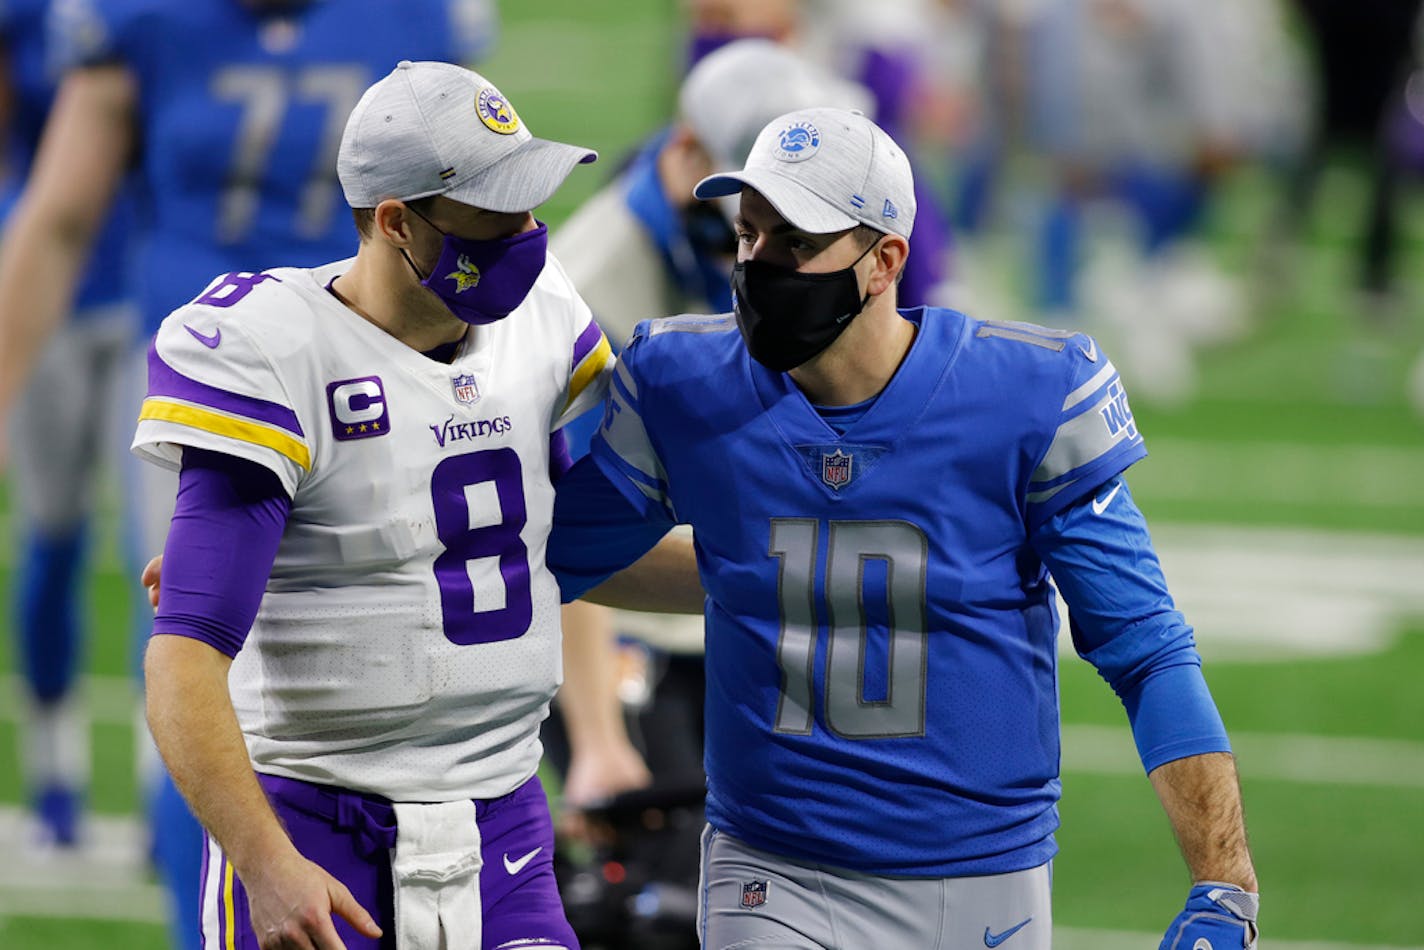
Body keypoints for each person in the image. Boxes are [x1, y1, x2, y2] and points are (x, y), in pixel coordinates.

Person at [546, 107, 1260, 949]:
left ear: (885, 260)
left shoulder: (1025, 396)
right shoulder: (683, 380)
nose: (761, 263)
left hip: (977, 873)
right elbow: (548, 558)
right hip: (769, 866)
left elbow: (1144, 647)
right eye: (749, 234)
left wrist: (1225, 882)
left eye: (798, 243)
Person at [132, 60, 695, 950]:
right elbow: (181, 665)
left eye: (528, 203)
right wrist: (267, 867)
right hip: (316, 824)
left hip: (503, 819)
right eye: (492, 211)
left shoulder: (537, 322)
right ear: (395, 221)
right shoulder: (275, 351)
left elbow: (554, 548)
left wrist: (780, 575)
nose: (526, 233)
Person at [0, 2, 506, 944]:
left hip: (382, 375)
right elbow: (63, 217)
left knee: (399, 671)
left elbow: (475, 197)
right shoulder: (143, 21)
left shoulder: (413, 17)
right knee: (197, 669)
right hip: (208, 391)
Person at [0, 0, 137, 849]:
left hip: (157, 300)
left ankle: (174, 789)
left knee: (167, 554)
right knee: (53, 536)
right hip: (48, 297)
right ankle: (56, 768)